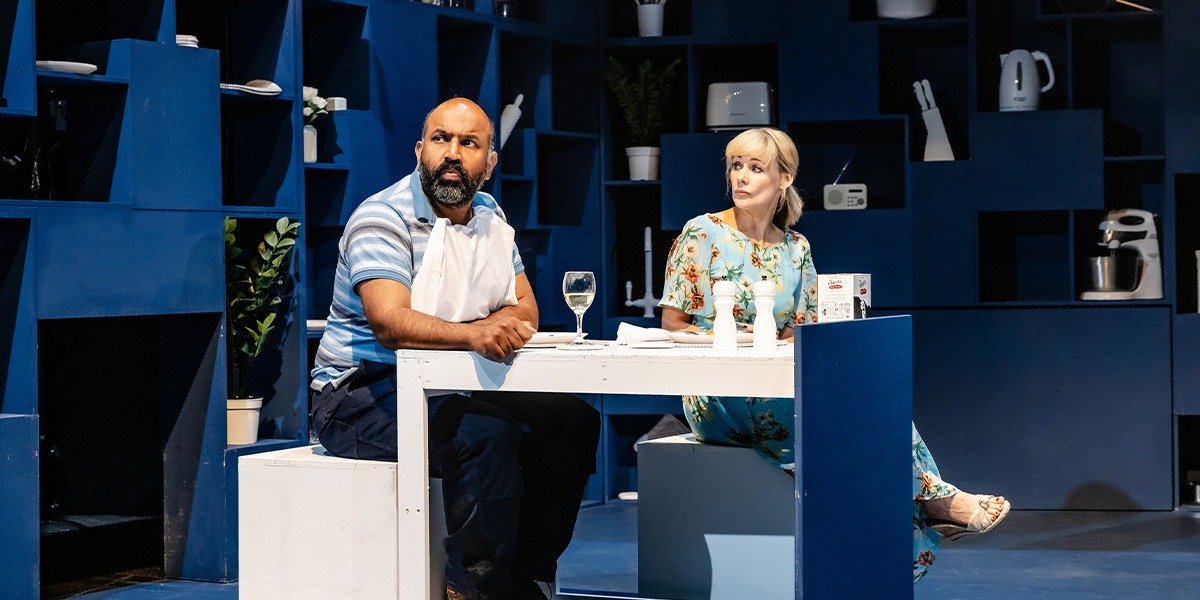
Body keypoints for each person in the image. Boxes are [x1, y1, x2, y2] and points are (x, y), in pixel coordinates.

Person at [658, 127, 1009, 582]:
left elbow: (797, 332)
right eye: (735, 166)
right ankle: (934, 503)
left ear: (784, 179)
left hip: (775, 381)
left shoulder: (796, 248)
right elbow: (672, 325)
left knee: (871, 408)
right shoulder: (701, 233)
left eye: (755, 168)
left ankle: (886, 551)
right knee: (845, 424)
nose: (741, 177)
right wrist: (740, 338)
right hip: (719, 391)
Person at [309, 97, 599, 600]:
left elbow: (525, 310)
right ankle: (473, 588)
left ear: (489, 162)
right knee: (484, 434)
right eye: (441, 139)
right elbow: (390, 322)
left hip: (450, 379)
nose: (452, 153)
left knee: (572, 420)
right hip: (358, 394)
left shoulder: (487, 213)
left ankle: (526, 579)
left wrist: (495, 325)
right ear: (420, 150)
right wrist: (474, 332)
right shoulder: (381, 218)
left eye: (469, 143)